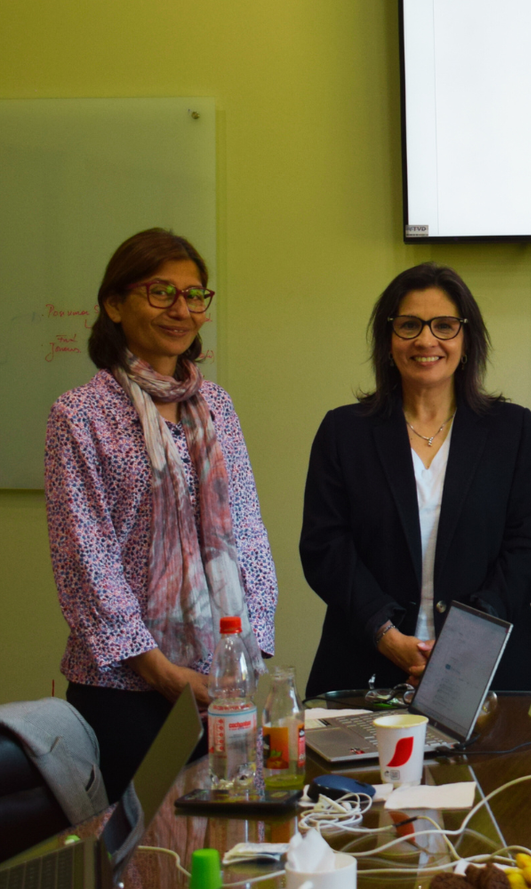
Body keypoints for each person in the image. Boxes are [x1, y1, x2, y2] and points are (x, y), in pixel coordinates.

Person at [46, 228, 277, 801]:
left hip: (219, 683)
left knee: (227, 832)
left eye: (194, 295)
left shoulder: (216, 405)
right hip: (123, 689)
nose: (181, 309)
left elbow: (247, 531)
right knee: (144, 844)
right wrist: (162, 673)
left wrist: (249, 653)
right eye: (160, 292)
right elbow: (86, 561)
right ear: (114, 304)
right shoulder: (80, 415)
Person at [301, 263, 531, 696]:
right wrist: (385, 634)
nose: (426, 340)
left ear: (467, 339)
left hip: (487, 665)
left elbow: (529, 549)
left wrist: (462, 640)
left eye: (444, 326)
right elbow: (326, 548)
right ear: (388, 340)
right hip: (366, 660)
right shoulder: (344, 432)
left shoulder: (512, 430)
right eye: (409, 325)